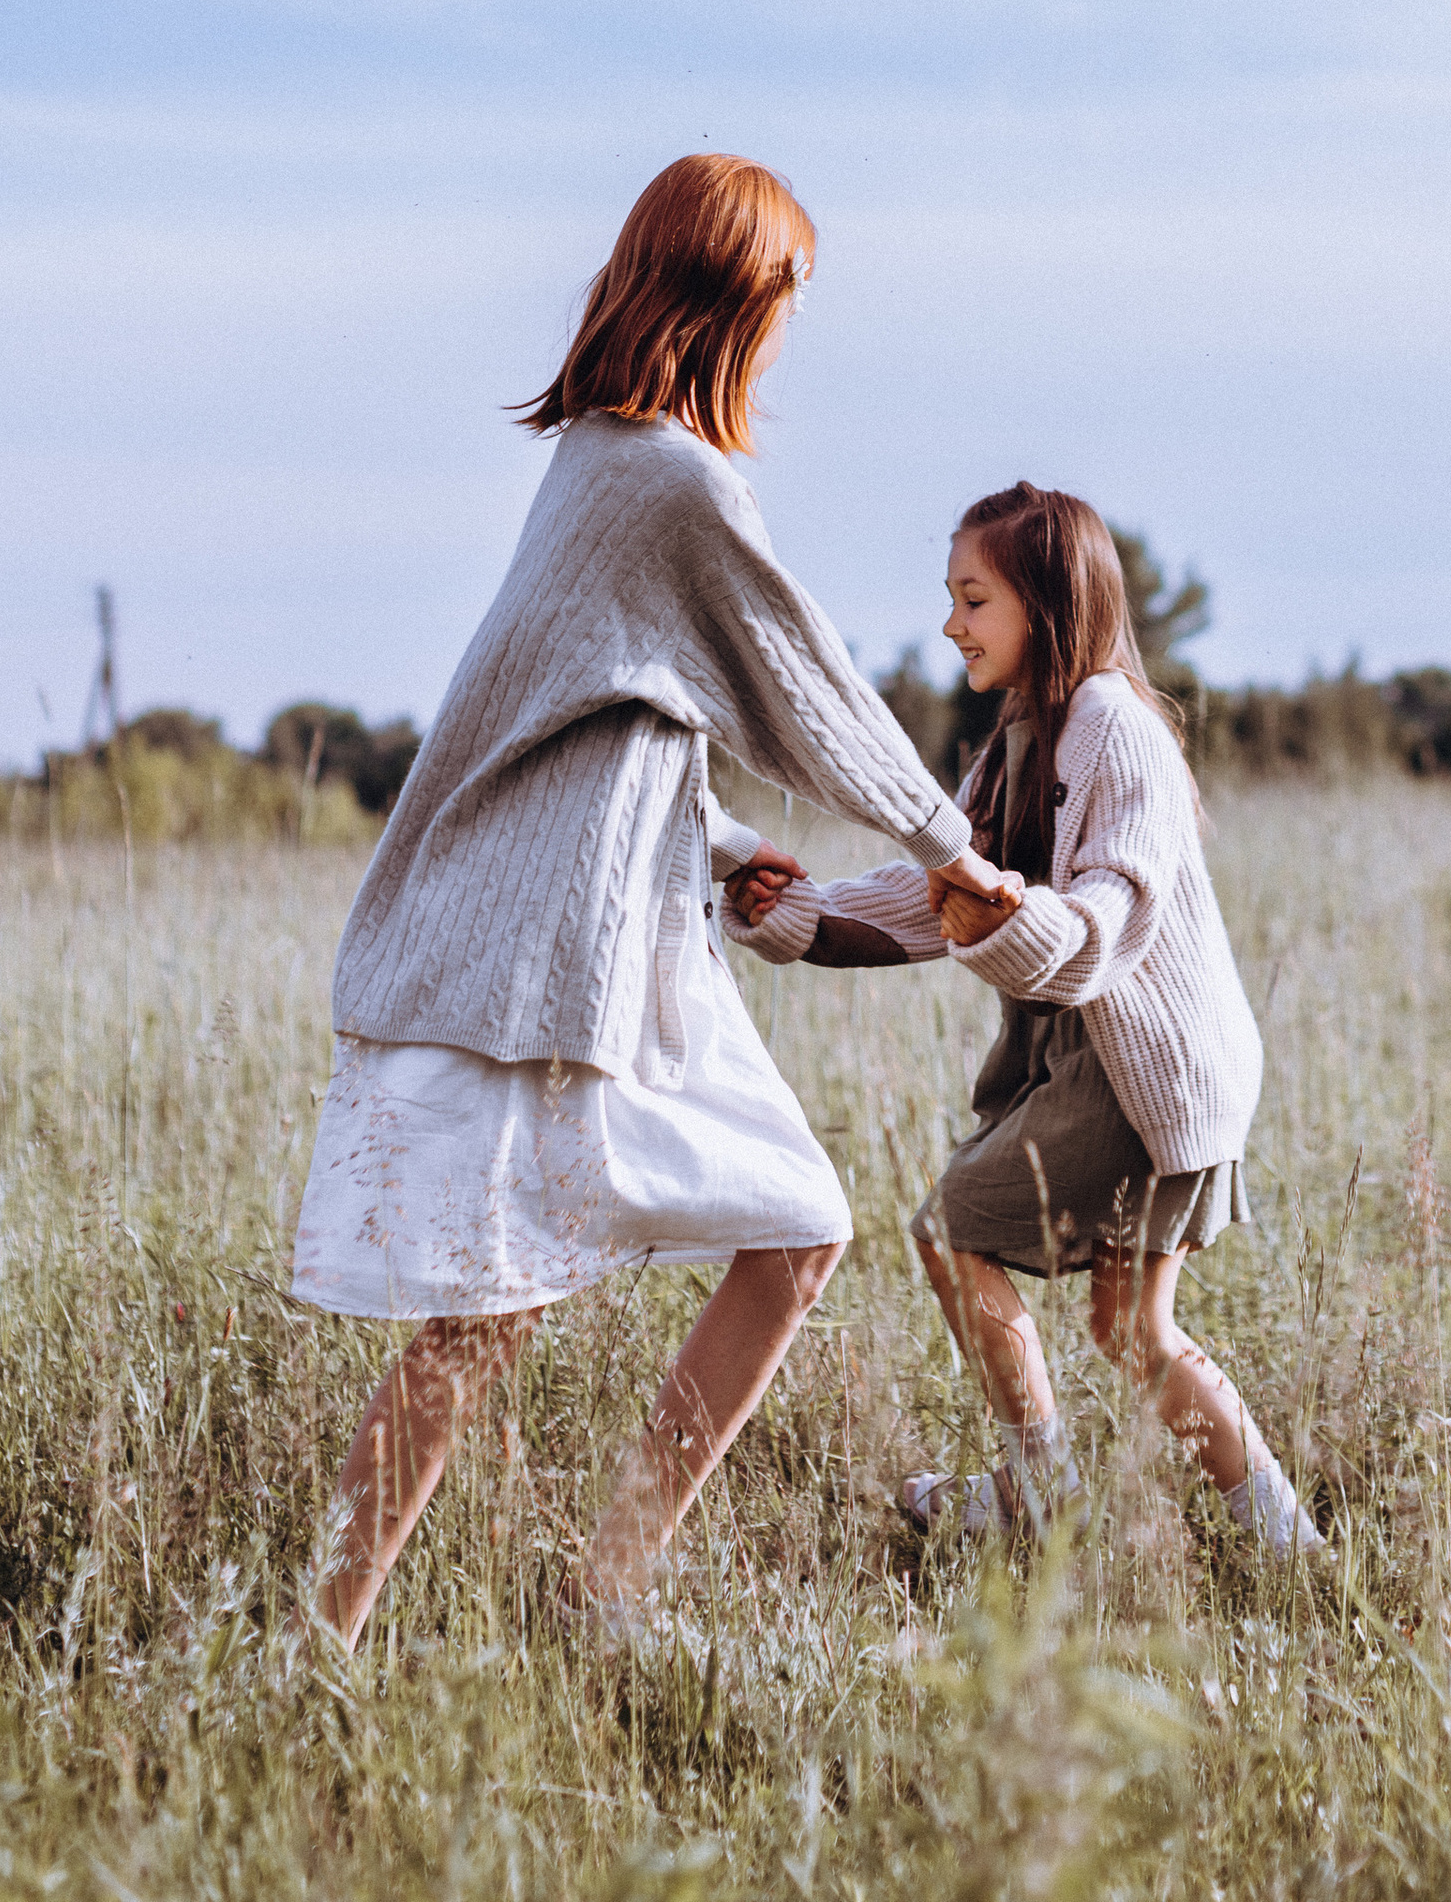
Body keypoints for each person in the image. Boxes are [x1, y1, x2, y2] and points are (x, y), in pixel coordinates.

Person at [289, 153, 1011, 1646]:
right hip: (550, 960)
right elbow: (803, 682)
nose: (789, 334)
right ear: (734, 300)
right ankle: (314, 1643)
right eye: (785, 299)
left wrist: (714, 839)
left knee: (795, 1229)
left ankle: (600, 1595)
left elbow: (614, 719)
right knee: (487, 1316)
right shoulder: (667, 477)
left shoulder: (604, 464)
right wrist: (954, 851)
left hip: (634, 946)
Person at [730, 481, 1323, 1558]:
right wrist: (796, 915)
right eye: (952, 599)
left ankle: (1042, 1498)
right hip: (1126, 1064)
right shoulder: (1021, 737)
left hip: (1146, 1072)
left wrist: (1010, 915)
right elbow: (934, 891)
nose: (952, 623)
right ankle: (1293, 1551)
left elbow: (1108, 917)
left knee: (957, 1232)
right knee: (1130, 1329)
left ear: (1046, 607)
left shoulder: (1111, 726)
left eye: (973, 599)